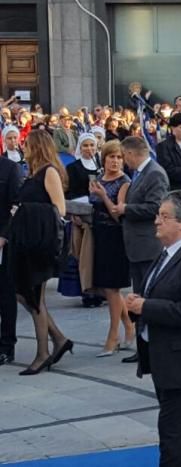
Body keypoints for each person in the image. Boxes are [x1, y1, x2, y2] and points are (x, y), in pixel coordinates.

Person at [127, 190, 181, 467]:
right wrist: (137, 305)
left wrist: (146, 307)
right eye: (158, 215)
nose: (157, 221)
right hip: (167, 360)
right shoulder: (166, 254)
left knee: (173, 441)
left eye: (164, 217)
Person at [6, 131, 70, 375]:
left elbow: (59, 209)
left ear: (37, 147)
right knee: (24, 293)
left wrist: (24, 210)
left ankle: (43, 352)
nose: (23, 147)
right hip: (28, 241)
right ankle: (59, 339)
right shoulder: (32, 173)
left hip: (41, 242)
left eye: (27, 144)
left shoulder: (49, 172)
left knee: (34, 297)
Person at [119, 136, 170, 364]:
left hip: (148, 246)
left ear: (131, 153)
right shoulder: (141, 173)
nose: (123, 160)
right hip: (137, 246)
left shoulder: (154, 173)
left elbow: (155, 207)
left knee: (146, 297)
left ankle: (149, 347)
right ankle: (143, 347)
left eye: (124, 155)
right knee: (138, 295)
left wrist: (127, 208)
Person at [88, 140, 135, 356]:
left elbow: (118, 215)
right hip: (98, 234)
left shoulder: (124, 181)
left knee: (112, 288)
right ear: (104, 158)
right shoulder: (98, 178)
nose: (115, 161)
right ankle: (128, 327)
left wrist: (104, 196)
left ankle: (113, 335)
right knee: (107, 288)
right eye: (111, 157)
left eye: (119, 157)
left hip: (115, 236)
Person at [0, 150, 21, 367]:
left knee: (5, 295)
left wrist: (4, 235)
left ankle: (7, 345)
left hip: (2, 242)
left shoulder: (9, 168)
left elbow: (16, 205)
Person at [66, 133, 101, 199]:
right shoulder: (72, 167)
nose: (89, 148)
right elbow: (70, 191)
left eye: (92, 145)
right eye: (85, 145)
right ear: (80, 148)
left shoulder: (102, 164)